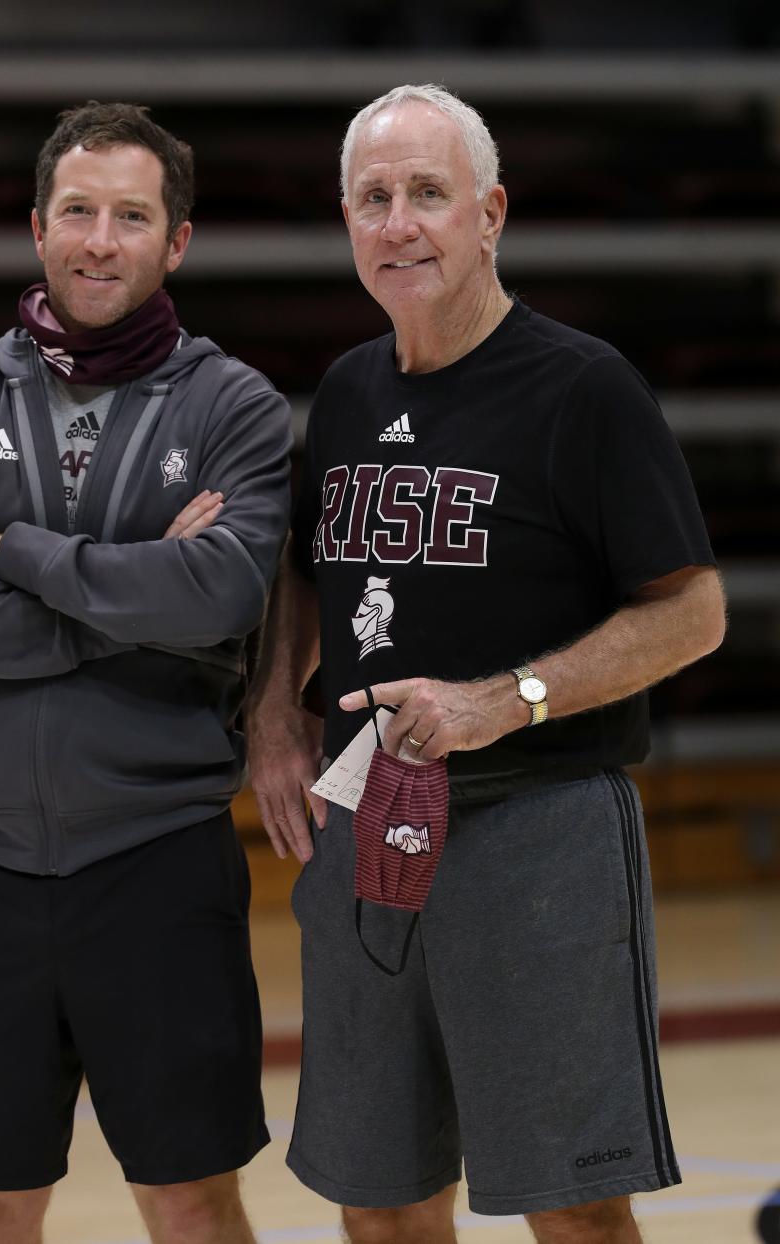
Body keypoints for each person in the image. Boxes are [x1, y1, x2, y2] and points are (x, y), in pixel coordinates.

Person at [246, 84, 725, 1244]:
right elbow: (305, 571)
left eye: (427, 194)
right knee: (380, 1196)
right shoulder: (352, 389)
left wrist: (505, 700)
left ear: (491, 211)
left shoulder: (584, 388)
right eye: (374, 198)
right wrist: (274, 713)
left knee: (570, 1200)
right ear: (347, 221)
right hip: (368, 822)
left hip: (537, 829)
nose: (399, 222)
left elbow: (693, 612)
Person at [0, 101, 292, 1244]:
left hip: (156, 870)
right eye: (80, 211)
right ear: (38, 227)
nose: (102, 238)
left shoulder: (233, 405)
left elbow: (224, 594)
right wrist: (132, 598)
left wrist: (14, 556)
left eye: (132, 215)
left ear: (177, 240)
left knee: (192, 1198)